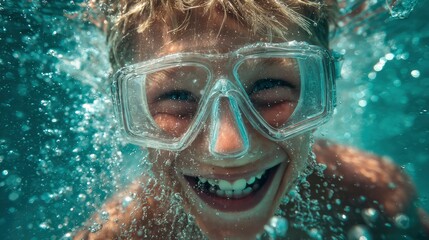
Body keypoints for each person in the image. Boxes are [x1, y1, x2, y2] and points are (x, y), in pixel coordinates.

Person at [74, 0, 429, 239]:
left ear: (321, 92)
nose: (229, 147)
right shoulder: (120, 233)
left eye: (270, 87)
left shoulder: (374, 197)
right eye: (178, 97)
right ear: (130, 110)